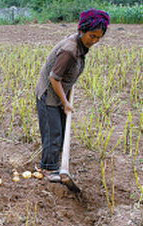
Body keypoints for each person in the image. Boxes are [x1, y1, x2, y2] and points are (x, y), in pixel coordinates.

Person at [35, 9, 110, 182]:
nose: (95, 41)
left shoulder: (80, 45)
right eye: (92, 36)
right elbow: (54, 78)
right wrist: (65, 102)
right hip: (49, 94)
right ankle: (48, 169)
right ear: (82, 30)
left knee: (59, 130)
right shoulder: (69, 50)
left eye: (99, 37)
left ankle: (54, 162)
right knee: (53, 133)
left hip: (59, 92)